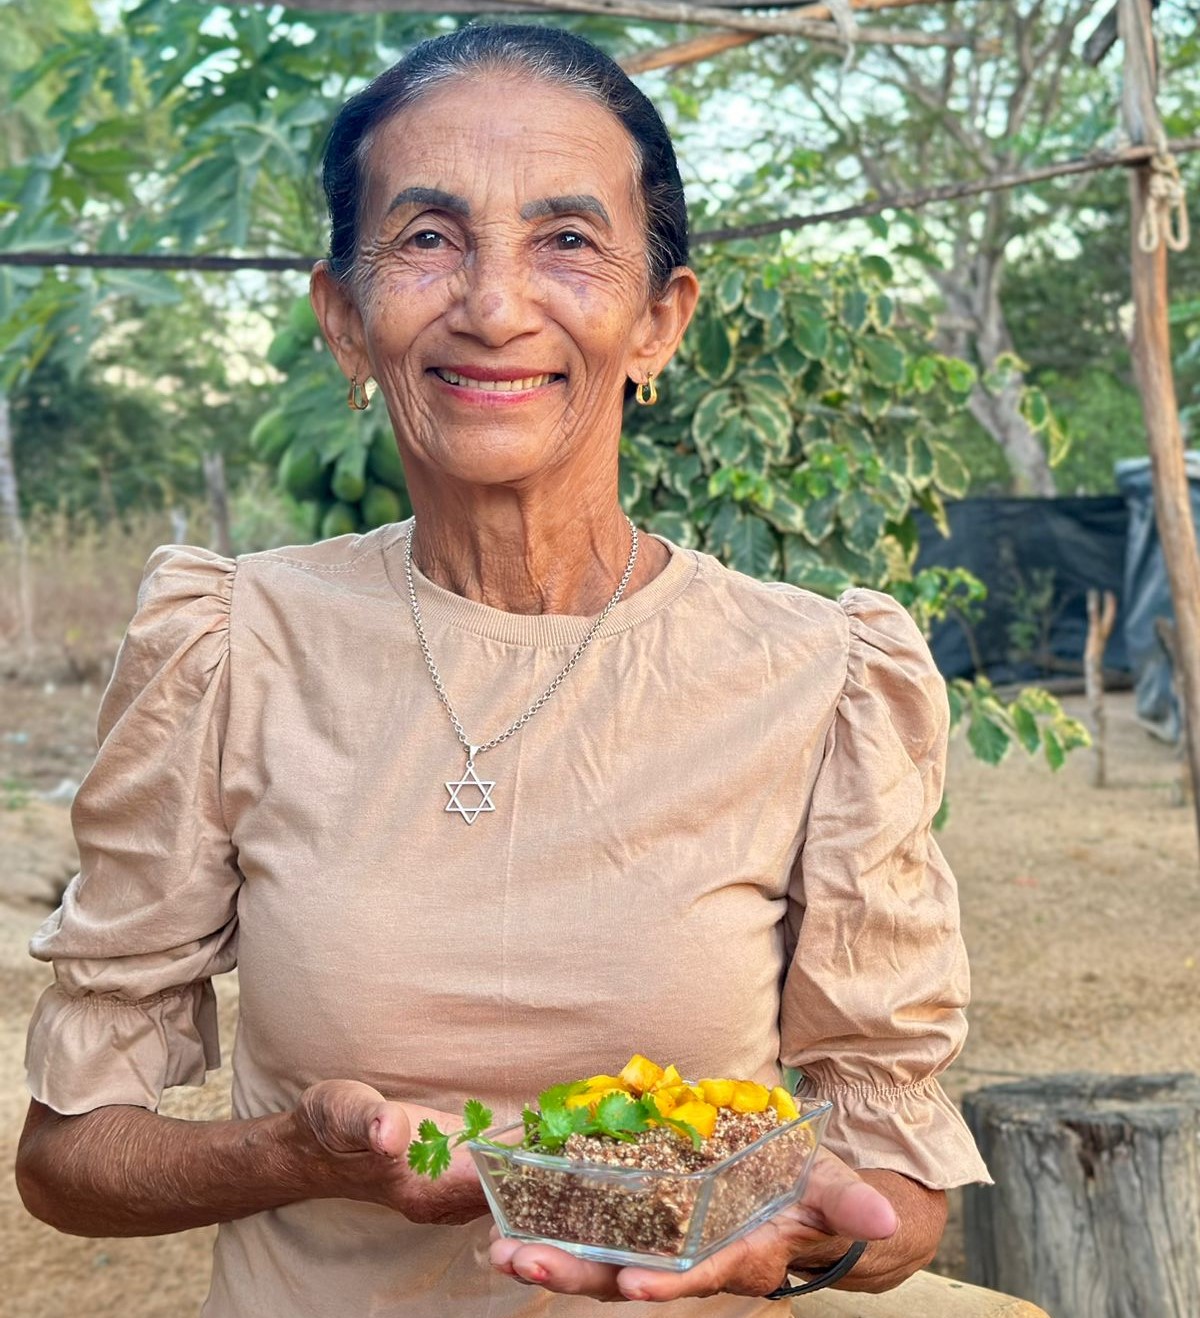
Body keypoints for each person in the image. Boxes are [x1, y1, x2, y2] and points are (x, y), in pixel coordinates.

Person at [16, 23, 989, 1316]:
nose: (493, 306)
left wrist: (795, 1241)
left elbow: (896, 1186)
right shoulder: (237, 643)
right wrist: (293, 1155)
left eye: (567, 241)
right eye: (428, 238)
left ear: (659, 322)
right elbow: (68, 1161)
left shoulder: (816, 676)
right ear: (345, 319)